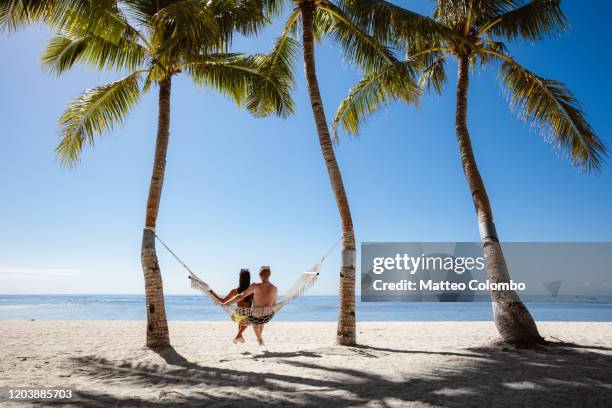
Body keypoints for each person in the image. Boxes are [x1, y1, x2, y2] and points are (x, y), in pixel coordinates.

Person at [224, 265, 277, 345]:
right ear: (269, 275)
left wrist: (227, 303)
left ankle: (259, 339)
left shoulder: (255, 286)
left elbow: (241, 296)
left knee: (251, 319)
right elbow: (274, 304)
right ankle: (259, 337)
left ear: (260, 275)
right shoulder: (275, 288)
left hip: (256, 318)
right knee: (261, 319)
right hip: (268, 316)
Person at [209, 269, 253, 344]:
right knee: (248, 318)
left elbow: (222, 301)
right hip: (247, 318)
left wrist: (213, 293)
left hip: (236, 317)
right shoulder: (252, 291)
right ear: (249, 279)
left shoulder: (234, 291)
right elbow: (258, 303)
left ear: (240, 279)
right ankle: (238, 335)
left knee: (241, 318)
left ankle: (240, 335)